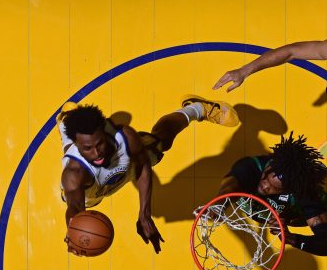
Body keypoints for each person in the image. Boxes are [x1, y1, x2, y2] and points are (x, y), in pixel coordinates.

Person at [57, 95, 240, 255]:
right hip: (94, 191)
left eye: (99, 144)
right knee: (71, 148)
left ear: (105, 134)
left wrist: (144, 213)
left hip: (123, 164)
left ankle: (197, 108)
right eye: (88, 148)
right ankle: (67, 118)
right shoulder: (74, 175)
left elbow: (143, 165)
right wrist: (74, 234)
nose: (96, 153)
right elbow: (75, 209)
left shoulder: (125, 137)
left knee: (161, 142)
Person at [217, 133, 327, 257]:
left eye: (273, 188)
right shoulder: (251, 167)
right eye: (266, 179)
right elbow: (230, 187)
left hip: (292, 213)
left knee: (319, 205)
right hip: (272, 208)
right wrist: (218, 205)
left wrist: (291, 238)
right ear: (268, 168)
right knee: (316, 204)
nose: (265, 186)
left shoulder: (303, 193)